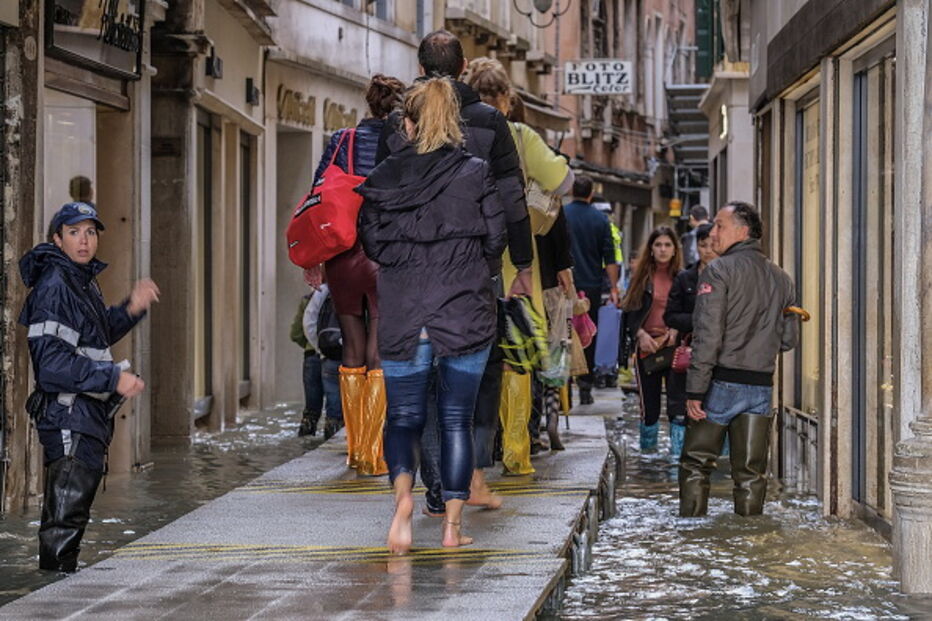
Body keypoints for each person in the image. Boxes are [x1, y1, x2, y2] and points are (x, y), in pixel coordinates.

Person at [377, 30, 533, 508]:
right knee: (466, 383)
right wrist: (519, 262)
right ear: (464, 67)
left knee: (418, 384)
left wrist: (390, 259)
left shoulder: (398, 122)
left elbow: (380, 201)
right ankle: (461, 484)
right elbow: (511, 197)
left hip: (409, 274)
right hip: (471, 269)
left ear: (420, 68)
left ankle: (435, 483)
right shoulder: (489, 121)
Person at [357, 77, 507, 554]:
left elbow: (371, 242)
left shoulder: (384, 175)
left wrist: (405, 265)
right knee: (456, 419)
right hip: (463, 308)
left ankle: (403, 503)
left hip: (403, 309)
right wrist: (467, 268)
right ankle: (451, 528)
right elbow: (496, 239)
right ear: (453, 123)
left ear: (407, 123)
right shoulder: (476, 172)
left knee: (403, 417)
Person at [19, 202, 159, 572]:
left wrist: (131, 308)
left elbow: (94, 336)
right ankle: (52, 594)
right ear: (57, 239)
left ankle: (57, 585)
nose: (84, 240)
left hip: (82, 416)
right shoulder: (55, 286)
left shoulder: (78, 280)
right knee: (64, 525)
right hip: (69, 417)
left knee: (69, 519)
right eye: (74, 232)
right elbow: (51, 366)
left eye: (91, 232)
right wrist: (112, 378)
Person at [462, 57, 575, 463]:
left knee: (468, 352)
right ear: (507, 100)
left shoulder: (452, 132)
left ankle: (471, 449)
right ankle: (514, 451)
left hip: (463, 257)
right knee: (515, 353)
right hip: (516, 260)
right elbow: (563, 181)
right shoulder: (521, 136)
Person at [312, 74, 406, 475]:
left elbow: (317, 194)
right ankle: (376, 450)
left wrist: (315, 258)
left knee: (351, 344)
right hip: (386, 254)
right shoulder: (405, 142)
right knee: (379, 347)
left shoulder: (342, 140)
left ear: (368, 103)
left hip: (343, 254)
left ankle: (355, 449)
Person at [680, 202, 798, 517]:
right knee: (751, 473)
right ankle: (750, 533)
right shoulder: (781, 278)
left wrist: (695, 390)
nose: (712, 233)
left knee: (696, 464)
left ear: (742, 232)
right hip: (761, 386)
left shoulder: (718, 271)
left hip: (721, 382)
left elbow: (707, 335)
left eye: (720, 226)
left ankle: (691, 534)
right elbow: (788, 341)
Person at [620, 226, 685, 453]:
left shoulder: (683, 278)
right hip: (647, 347)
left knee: (678, 406)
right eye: (658, 245)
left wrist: (675, 331)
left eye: (667, 245)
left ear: (675, 249)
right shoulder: (641, 278)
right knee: (649, 407)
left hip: (675, 348)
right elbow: (629, 312)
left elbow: (691, 312)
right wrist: (640, 334)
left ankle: (677, 458)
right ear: (651, 249)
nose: (663, 249)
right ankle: (648, 457)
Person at [564, 175, 620, 405]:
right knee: (588, 333)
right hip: (591, 287)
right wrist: (614, 287)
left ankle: (564, 387)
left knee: (564, 333)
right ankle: (585, 386)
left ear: (572, 191)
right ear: (591, 194)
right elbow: (610, 257)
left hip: (564, 285)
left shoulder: (561, 215)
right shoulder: (600, 220)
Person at [662, 223, 715, 457]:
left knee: (715, 411)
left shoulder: (730, 277)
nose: (708, 250)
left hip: (719, 357)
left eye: (712, 245)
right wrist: (700, 320)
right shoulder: (685, 279)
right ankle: (677, 460)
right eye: (703, 245)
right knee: (680, 409)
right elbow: (670, 316)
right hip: (688, 355)